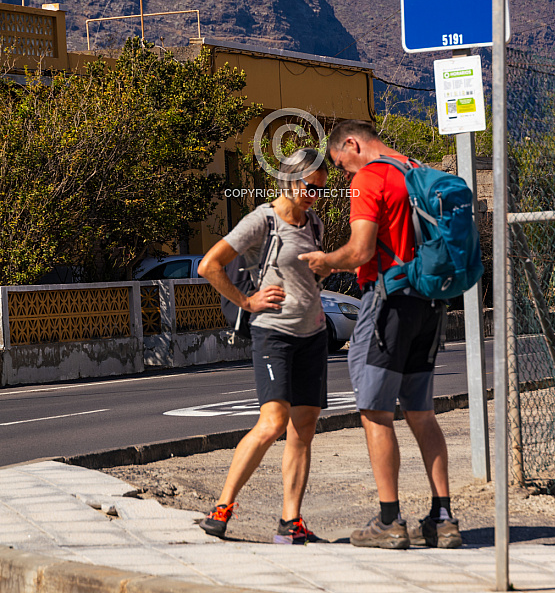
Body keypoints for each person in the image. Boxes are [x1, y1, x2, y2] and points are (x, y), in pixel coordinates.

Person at [299, 120, 462, 550]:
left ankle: (389, 520)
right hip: (430, 302)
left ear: (352, 144)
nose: (346, 175)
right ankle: (443, 518)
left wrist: (325, 261)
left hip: (388, 302)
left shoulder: (370, 178)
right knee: (421, 413)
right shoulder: (415, 168)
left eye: (342, 165)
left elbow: (361, 251)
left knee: (375, 411)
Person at [197, 148, 328, 545]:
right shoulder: (262, 221)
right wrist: (247, 301)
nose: (315, 196)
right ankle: (222, 508)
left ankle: (291, 522)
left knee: (303, 430)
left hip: (314, 336)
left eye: (321, 189)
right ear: (289, 182)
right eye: (309, 187)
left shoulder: (314, 224)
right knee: (272, 424)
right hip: (274, 335)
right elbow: (209, 265)